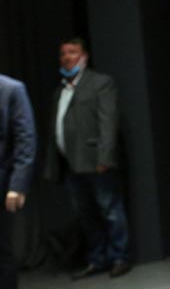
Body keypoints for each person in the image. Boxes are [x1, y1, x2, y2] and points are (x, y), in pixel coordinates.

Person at [42, 38, 131, 279]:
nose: (66, 57)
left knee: (110, 209)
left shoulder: (100, 83)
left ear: (84, 56)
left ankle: (120, 256)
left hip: (96, 161)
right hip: (71, 164)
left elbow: (108, 122)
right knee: (85, 214)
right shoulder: (61, 90)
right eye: (63, 53)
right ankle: (97, 258)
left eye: (72, 52)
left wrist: (105, 157)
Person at [0, 74, 36, 289]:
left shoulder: (11, 89)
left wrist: (17, 186)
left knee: (1, 250)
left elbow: (26, 139)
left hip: (2, 181)